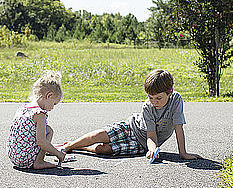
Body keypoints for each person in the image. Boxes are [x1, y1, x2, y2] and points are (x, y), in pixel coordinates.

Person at [59, 69, 200, 162]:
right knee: (99, 135)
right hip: (131, 127)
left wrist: (183, 153)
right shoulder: (147, 106)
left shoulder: (176, 100)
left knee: (105, 149)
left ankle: (79, 148)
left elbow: (178, 128)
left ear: (169, 93)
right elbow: (151, 134)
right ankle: (68, 146)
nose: (154, 102)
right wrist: (153, 147)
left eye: (158, 98)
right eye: (151, 97)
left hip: (140, 144)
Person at [7, 70, 69, 169]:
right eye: (54, 104)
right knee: (49, 132)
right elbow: (42, 142)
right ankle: (39, 161)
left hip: (14, 155)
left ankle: (38, 159)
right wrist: (58, 154)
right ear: (49, 96)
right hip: (25, 158)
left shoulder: (25, 107)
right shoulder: (40, 114)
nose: (52, 108)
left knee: (47, 129)